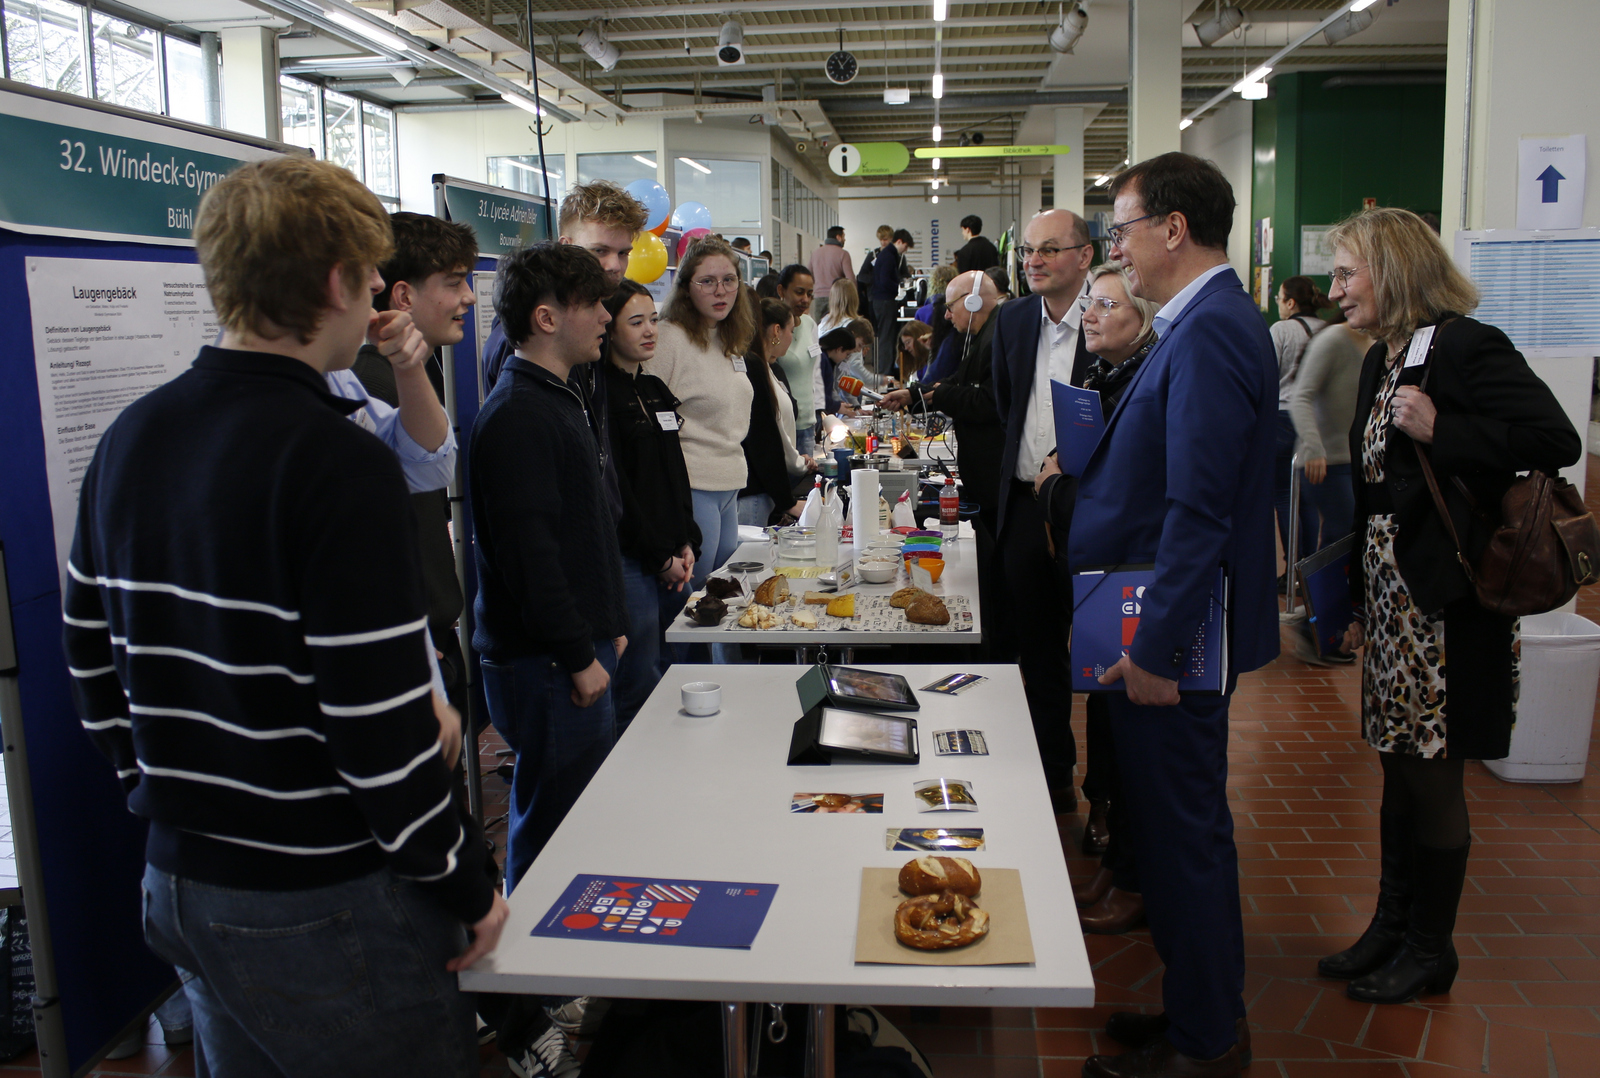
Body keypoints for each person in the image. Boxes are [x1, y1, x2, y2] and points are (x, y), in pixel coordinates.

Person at [62, 155, 505, 1075]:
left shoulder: (131, 435)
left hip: (181, 878)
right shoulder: (336, 463)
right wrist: (464, 881)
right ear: (341, 282)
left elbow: (95, 673)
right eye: (375, 279)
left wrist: (180, 795)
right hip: (321, 894)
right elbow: (379, 731)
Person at [1320, 208, 1580, 1005]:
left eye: (1346, 274)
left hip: (1449, 604)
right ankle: (1389, 927)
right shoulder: (1382, 360)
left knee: (1435, 780)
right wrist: (1359, 603)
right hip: (1396, 603)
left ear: (1394, 271)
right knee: (1399, 772)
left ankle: (1431, 949)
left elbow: (1556, 440)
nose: (1335, 292)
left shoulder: (1467, 346)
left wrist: (1447, 428)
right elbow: (1373, 496)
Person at [1073, 152, 1279, 1078]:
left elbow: (1201, 507)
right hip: (1152, 609)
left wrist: (1155, 647)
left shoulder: (1212, 332)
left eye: (1119, 228)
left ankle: (1207, 1043)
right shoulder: (1195, 326)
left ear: (1172, 229)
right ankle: (1195, 1006)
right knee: (1167, 829)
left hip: (1172, 630)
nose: (1114, 246)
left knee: (1186, 834)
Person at [470, 242, 627, 896]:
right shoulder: (517, 414)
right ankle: (530, 989)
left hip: (571, 650)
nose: (605, 317)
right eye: (590, 304)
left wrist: (606, 628)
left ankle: (566, 969)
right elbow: (529, 557)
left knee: (576, 812)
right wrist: (576, 653)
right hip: (546, 664)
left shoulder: (556, 396)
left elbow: (580, 533)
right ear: (545, 317)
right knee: (553, 826)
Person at [1035, 263, 1160, 934]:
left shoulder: (1146, 381)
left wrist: (1053, 491)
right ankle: (1118, 867)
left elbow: (1117, 491)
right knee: (1108, 723)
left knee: (1134, 737)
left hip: (1133, 578)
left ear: (1141, 319)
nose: (1090, 314)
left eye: (1107, 304)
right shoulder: (1100, 378)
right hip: (1103, 576)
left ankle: (1136, 878)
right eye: (1091, 303)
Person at [988, 209, 1094, 820]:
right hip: (1026, 507)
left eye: (1050, 249)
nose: (1034, 260)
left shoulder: (1113, 314)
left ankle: (1105, 795)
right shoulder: (1014, 318)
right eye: (1029, 250)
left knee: (1102, 654)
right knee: (1039, 651)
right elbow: (1009, 404)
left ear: (1084, 255)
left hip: (1089, 511)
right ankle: (1055, 778)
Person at [354, 211, 479, 723]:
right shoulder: (369, 391)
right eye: (453, 283)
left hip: (428, 645)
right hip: (409, 654)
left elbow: (434, 466)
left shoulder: (406, 378)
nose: (469, 296)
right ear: (403, 297)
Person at [600, 279, 701, 734]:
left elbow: (674, 473)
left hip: (669, 554)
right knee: (637, 682)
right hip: (634, 558)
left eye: (653, 320)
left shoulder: (656, 387)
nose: (649, 331)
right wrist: (658, 555)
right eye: (635, 321)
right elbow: (618, 489)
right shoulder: (600, 394)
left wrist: (685, 540)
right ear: (608, 325)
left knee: (671, 669)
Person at [650, 236, 757, 590]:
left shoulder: (728, 337)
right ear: (686, 287)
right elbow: (647, 419)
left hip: (729, 482)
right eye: (707, 281)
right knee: (692, 599)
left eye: (728, 280)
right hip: (693, 482)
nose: (720, 291)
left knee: (718, 595)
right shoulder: (669, 339)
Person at [882, 270, 1003, 538]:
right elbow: (958, 380)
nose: (947, 316)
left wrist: (939, 396)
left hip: (991, 473)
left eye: (950, 307)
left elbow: (987, 401)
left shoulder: (995, 338)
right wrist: (913, 394)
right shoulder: (980, 337)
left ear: (972, 302)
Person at [1288, 309, 1365, 558]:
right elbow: (1300, 397)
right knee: (1342, 536)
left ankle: (1336, 595)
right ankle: (1322, 595)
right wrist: (1313, 447)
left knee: (1354, 538)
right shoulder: (1333, 339)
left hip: (1359, 461)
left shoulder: (1380, 340)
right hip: (1327, 462)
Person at [1271, 276, 1329, 577]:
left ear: (1291, 302)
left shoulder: (1281, 330)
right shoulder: (1328, 330)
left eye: (1280, 298)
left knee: (1283, 495)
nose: (1278, 304)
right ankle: (1309, 568)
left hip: (1282, 419)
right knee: (1306, 495)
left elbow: (1268, 374)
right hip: (1317, 422)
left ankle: (1292, 571)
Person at [740, 297, 811, 526]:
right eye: (791, 330)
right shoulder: (753, 367)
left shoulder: (771, 368)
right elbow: (768, 437)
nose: (792, 338)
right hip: (752, 492)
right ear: (777, 330)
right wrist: (787, 500)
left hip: (764, 492)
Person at [774, 264, 820, 454]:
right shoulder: (772, 328)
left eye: (810, 294)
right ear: (781, 290)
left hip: (809, 423)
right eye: (799, 292)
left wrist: (819, 409)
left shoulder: (810, 324)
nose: (805, 299)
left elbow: (815, 373)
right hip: (784, 425)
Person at [871, 228, 914, 374]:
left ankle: (886, 372)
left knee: (887, 338)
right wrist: (900, 288)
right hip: (884, 301)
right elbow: (885, 281)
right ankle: (884, 374)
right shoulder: (889, 256)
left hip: (882, 301)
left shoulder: (888, 255)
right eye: (906, 247)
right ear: (899, 242)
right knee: (886, 340)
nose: (905, 250)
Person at [808, 225, 854, 320]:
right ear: (838, 237)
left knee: (820, 329)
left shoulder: (815, 253)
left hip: (818, 297)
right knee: (835, 328)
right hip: (836, 297)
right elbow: (850, 279)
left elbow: (809, 276)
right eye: (844, 237)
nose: (844, 240)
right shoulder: (843, 254)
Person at [897, 319, 932, 383]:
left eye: (908, 342)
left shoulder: (935, 359)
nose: (906, 348)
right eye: (904, 345)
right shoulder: (921, 366)